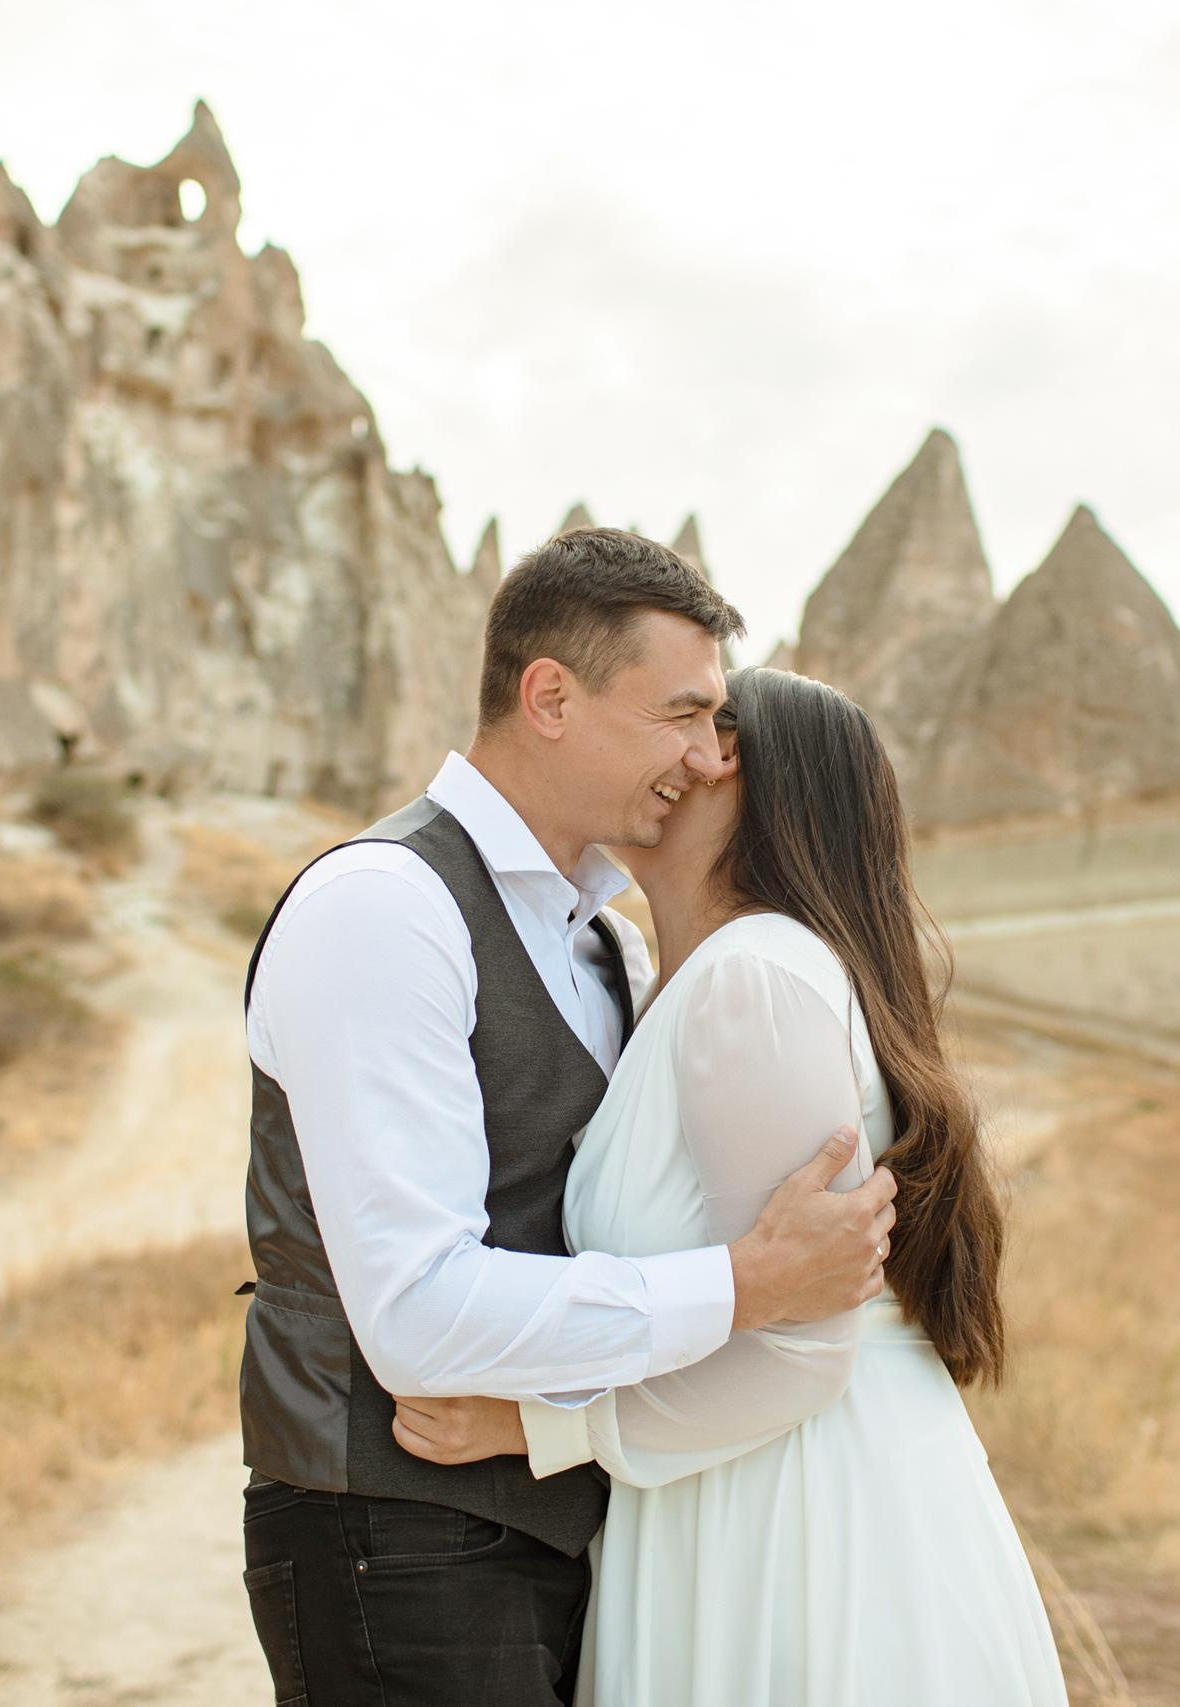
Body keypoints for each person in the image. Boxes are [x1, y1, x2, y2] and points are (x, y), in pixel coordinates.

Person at [237, 529, 900, 1706]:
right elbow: (419, 1314)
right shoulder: (383, 908)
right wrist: (747, 1286)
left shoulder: (604, 941)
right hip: (394, 1538)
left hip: (557, 1536)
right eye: (681, 715)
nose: (704, 758)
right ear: (550, 696)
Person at [394, 665, 1068, 1705]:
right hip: (748, 1488)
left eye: (702, 731)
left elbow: (800, 1354)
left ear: (740, 770)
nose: (679, 757)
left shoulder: (752, 981)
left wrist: (534, 1426)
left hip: (797, 1521)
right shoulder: (701, 981)